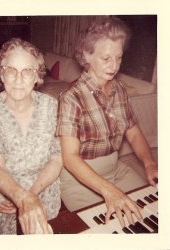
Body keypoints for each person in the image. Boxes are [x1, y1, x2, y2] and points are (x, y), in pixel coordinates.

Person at [56, 16, 158, 228]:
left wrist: (149, 164)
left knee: (152, 209)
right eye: (106, 58)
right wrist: (109, 191)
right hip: (79, 179)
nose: (114, 66)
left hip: (116, 169)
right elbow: (70, 158)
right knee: (113, 227)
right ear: (87, 55)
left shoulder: (119, 90)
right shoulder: (71, 98)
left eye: (118, 57)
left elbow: (134, 132)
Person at [0, 38, 62, 234]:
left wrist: (28, 197)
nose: (18, 79)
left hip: (41, 187)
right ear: (1, 73)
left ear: (37, 76)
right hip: (2, 193)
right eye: (11, 70)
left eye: (27, 71)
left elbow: (56, 159)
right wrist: (18, 197)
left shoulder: (51, 106)